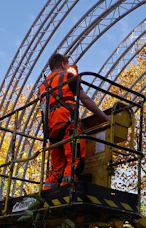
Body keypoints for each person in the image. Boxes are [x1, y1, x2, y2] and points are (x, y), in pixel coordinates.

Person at [39, 53, 110, 190]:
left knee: (56, 165)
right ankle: (67, 190)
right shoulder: (67, 77)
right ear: (63, 64)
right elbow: (85, 100)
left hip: (51, 130)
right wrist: (105, 118)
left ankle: (48, 192)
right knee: (75, 160)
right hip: (68, 124)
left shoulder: (43, 86)